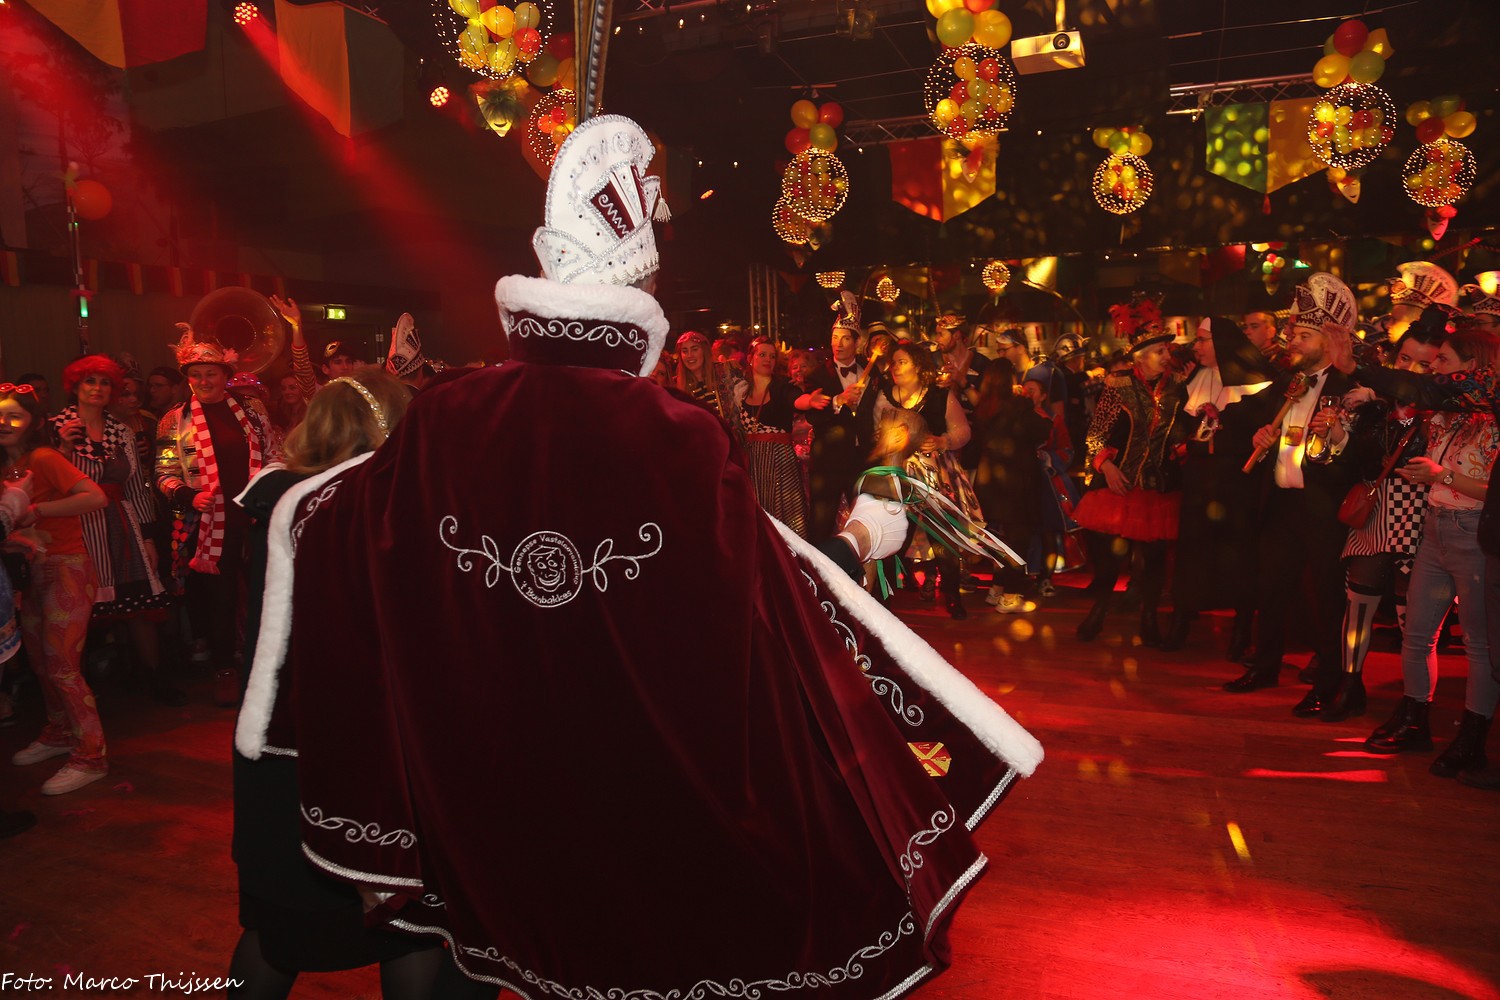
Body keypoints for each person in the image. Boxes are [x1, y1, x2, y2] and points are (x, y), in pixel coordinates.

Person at [238, 114, 1040, 997]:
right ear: (645, 294)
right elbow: (765, 608)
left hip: (483, 795)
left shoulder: (442, 419)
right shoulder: (673, 437)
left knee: (482, 949)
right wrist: (860, 539)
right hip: (623, 803)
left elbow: (325, 531)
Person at [227, 366, 465, 999]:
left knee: (280, 929)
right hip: (350, 745)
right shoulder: (356, 511)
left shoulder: (282, 498)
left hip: (277, 744)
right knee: (405, 927)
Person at [1224, 274, 1373, 717]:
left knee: (1327, 598)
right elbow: (1250, 421)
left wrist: (1339, 435)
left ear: (1328, 341)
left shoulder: (1351, 387)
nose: (1293, 342)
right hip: (1283, 503)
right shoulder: (1289, 383)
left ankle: (1329, 682)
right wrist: (1257, 435)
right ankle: (1265, 666)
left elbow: (1364, 455)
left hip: (1324, 508)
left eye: (1303, 336)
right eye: (1294, 334)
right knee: (1270, 588)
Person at [1363, 328, 1499, 774]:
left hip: (1473, 534)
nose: (1432, 369)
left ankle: (1472, 737)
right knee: (1418, 632)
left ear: (1471, 366)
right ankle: (1414, 717)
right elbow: (1401, 443)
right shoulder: (1445, 414)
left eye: (1443, 361)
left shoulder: (1494, 419)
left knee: (1478, 644)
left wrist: (1442, 476)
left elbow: (1493, 493)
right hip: (1435, 528)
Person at [1328, 320, 1448, 722]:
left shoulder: (1444, 410)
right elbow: (1359, 461)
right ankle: (1350, 684)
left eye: (1424, 365)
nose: (1410, 370)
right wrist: (1343, 432)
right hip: (1376, 506)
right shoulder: (1375, 404)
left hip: (1421, 510)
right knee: (1358, 598)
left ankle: (1415, 704)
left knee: (1412, 614)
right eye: (1405, 359)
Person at [155, 329, 280, 706]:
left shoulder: (252, 410)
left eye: (211, 373)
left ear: (226, 375)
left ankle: (268, 665)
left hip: (255, 516)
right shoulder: (174, 420)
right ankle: (225, 669)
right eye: (196, 375)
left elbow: (275, 454)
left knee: (266, 591)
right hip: (210, 522)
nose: (203, 381)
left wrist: (268, 491)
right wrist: (189, 495)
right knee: (220, 599)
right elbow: (163, 473)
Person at [52, 356, 182, 706]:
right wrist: (63, 448)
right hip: (77, 526)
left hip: (122, 525)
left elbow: (136, 487)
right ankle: (77, 695)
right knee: (79, 612)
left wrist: (148, 537)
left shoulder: (120, 430)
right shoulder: (56, 427)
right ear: (75, 386)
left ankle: (156, 680)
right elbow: (48, 483)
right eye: (90, 381)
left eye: (105, 382)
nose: (97, 388)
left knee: (139, 608)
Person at [2, 382, 110, 795]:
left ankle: (92, 756)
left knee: (63, 666)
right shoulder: (6, 467)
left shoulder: (44, 457)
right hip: (30, 574)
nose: (4, 422)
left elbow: (94, 497)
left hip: (68, 567)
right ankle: (59, 733)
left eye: (14, 415)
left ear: (33, 422)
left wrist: (35, 510)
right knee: (40, 663)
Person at [1073, 295, 1187, 645]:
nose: (1167, 356)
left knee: (1153, 561)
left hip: (1157, 488)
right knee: (1110, 560)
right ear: (1140, 355)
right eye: (1160, 351)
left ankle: (1149, 619)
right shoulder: (1118, 384)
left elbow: (1182, 433)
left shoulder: (1178, 387)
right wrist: (1105, 466)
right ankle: (1099, 611)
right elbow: (1095, 435)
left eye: (1167, 350)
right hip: (1118, 487)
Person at [1161, 318, 1271, 656]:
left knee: (1238, 554)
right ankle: (1181, 620)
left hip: (1236, 483)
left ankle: (1241, 628)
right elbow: (1180, 424)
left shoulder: (1257, 383)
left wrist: (1212, 444)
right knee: (1192, 553)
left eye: (1203, 340)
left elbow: (1256, 435)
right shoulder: (1196, 378)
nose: (1196, 347)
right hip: (1198, 482)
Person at [876, 342, 975, 619]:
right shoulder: (883, 396)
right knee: (893, 536)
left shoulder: (940, 396)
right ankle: (883, 600)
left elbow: (963, 431)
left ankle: (952, 597)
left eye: (902, 362)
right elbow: (873, 432)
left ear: (918, 366)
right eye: (893, 362)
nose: (895, 367)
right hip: (896, 475)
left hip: (933, 476)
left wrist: (944, 441)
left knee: (941, 537)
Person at [970, 360, 1051, 612]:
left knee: (1000, 539)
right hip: (1016, 481)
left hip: (990, 480)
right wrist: (1029, 403)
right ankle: (1011, 596)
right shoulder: (1018, 406)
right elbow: (1042, 431)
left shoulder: (983, 407)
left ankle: (996, 589)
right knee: (1018, 539)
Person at [803, 294, 883, 540]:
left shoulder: (872, 372)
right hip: (829, 462)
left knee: (867, 524)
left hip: (863, 461)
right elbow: (812, 417)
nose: (838, 344)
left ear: (857, 342)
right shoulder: (817, 375)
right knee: (821, 523)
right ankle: (815, 564)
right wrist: (838, 400)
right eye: (835, 338)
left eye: (845, 338)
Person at [732, 337, 811, 537]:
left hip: (780, 461)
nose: (768, 359)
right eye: (762, 354)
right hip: (753, 464)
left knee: (787, 520)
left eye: (772, 356)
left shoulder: (782, 386)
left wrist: (810, 400)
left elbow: (796, 400)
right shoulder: (741, 391)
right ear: (751, 358)